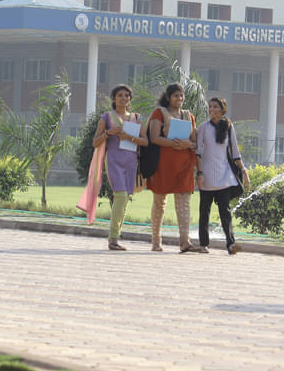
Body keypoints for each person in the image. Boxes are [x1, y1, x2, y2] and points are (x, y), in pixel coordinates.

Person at [91, 85, 148, 250]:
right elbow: (95, 142)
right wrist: (109, 133)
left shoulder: (136, 118)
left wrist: (129, 137)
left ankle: (115, 237)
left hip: (130, 162)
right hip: (114, 160)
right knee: (121, 196)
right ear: (113, 99)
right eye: (120, 95)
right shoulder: (107, 117)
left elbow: (145, 141)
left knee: (124, 199)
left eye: (127, 96)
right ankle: (113, 238)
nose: (124, 98)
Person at [147, 83, 198, 253]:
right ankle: (156, 240)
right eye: (176, 95)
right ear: (168, 97)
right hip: (163, 165)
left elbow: (195, 141)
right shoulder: (159, 113)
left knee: (184, 204)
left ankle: (185, 242)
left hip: (184, 166)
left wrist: (188, 144)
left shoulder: (188, 115)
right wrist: (174, 143)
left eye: (181, 96)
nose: (179, 99)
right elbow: (154, 138)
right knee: (160, 203)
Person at [196, 97, 250, 255]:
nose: (211, 109)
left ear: (222, 109)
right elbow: (198, 153)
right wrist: (199, 173)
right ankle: (203, 244)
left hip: (224, 176)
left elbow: (235, 152)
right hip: (206, 176)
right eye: (210, 106)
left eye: (215, 107)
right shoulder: (203, 127)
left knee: (225, 211)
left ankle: (231, 244)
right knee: (203, 211)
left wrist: (244, 171)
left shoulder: (228, 126)